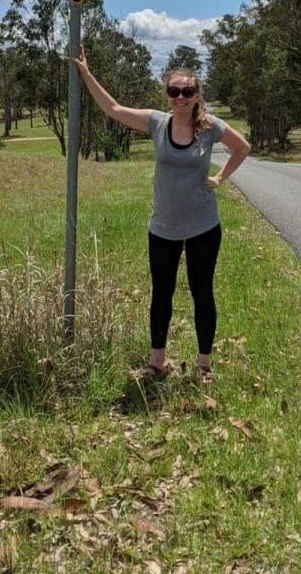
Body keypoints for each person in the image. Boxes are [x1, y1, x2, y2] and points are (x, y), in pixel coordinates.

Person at [70, 46, 251, 384]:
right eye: (174, 91)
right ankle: (157, 362)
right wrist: (86, 74)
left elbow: (243, 147)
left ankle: (204, 365)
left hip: (203, 226)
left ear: (197, 96)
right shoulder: (156, 122)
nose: (181, 97)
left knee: (202, 293)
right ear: (167, 94)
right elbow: (113, 109)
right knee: (161, 293)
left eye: (188, 91)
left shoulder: (210, 127)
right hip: (163, 227)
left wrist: (219, 178)